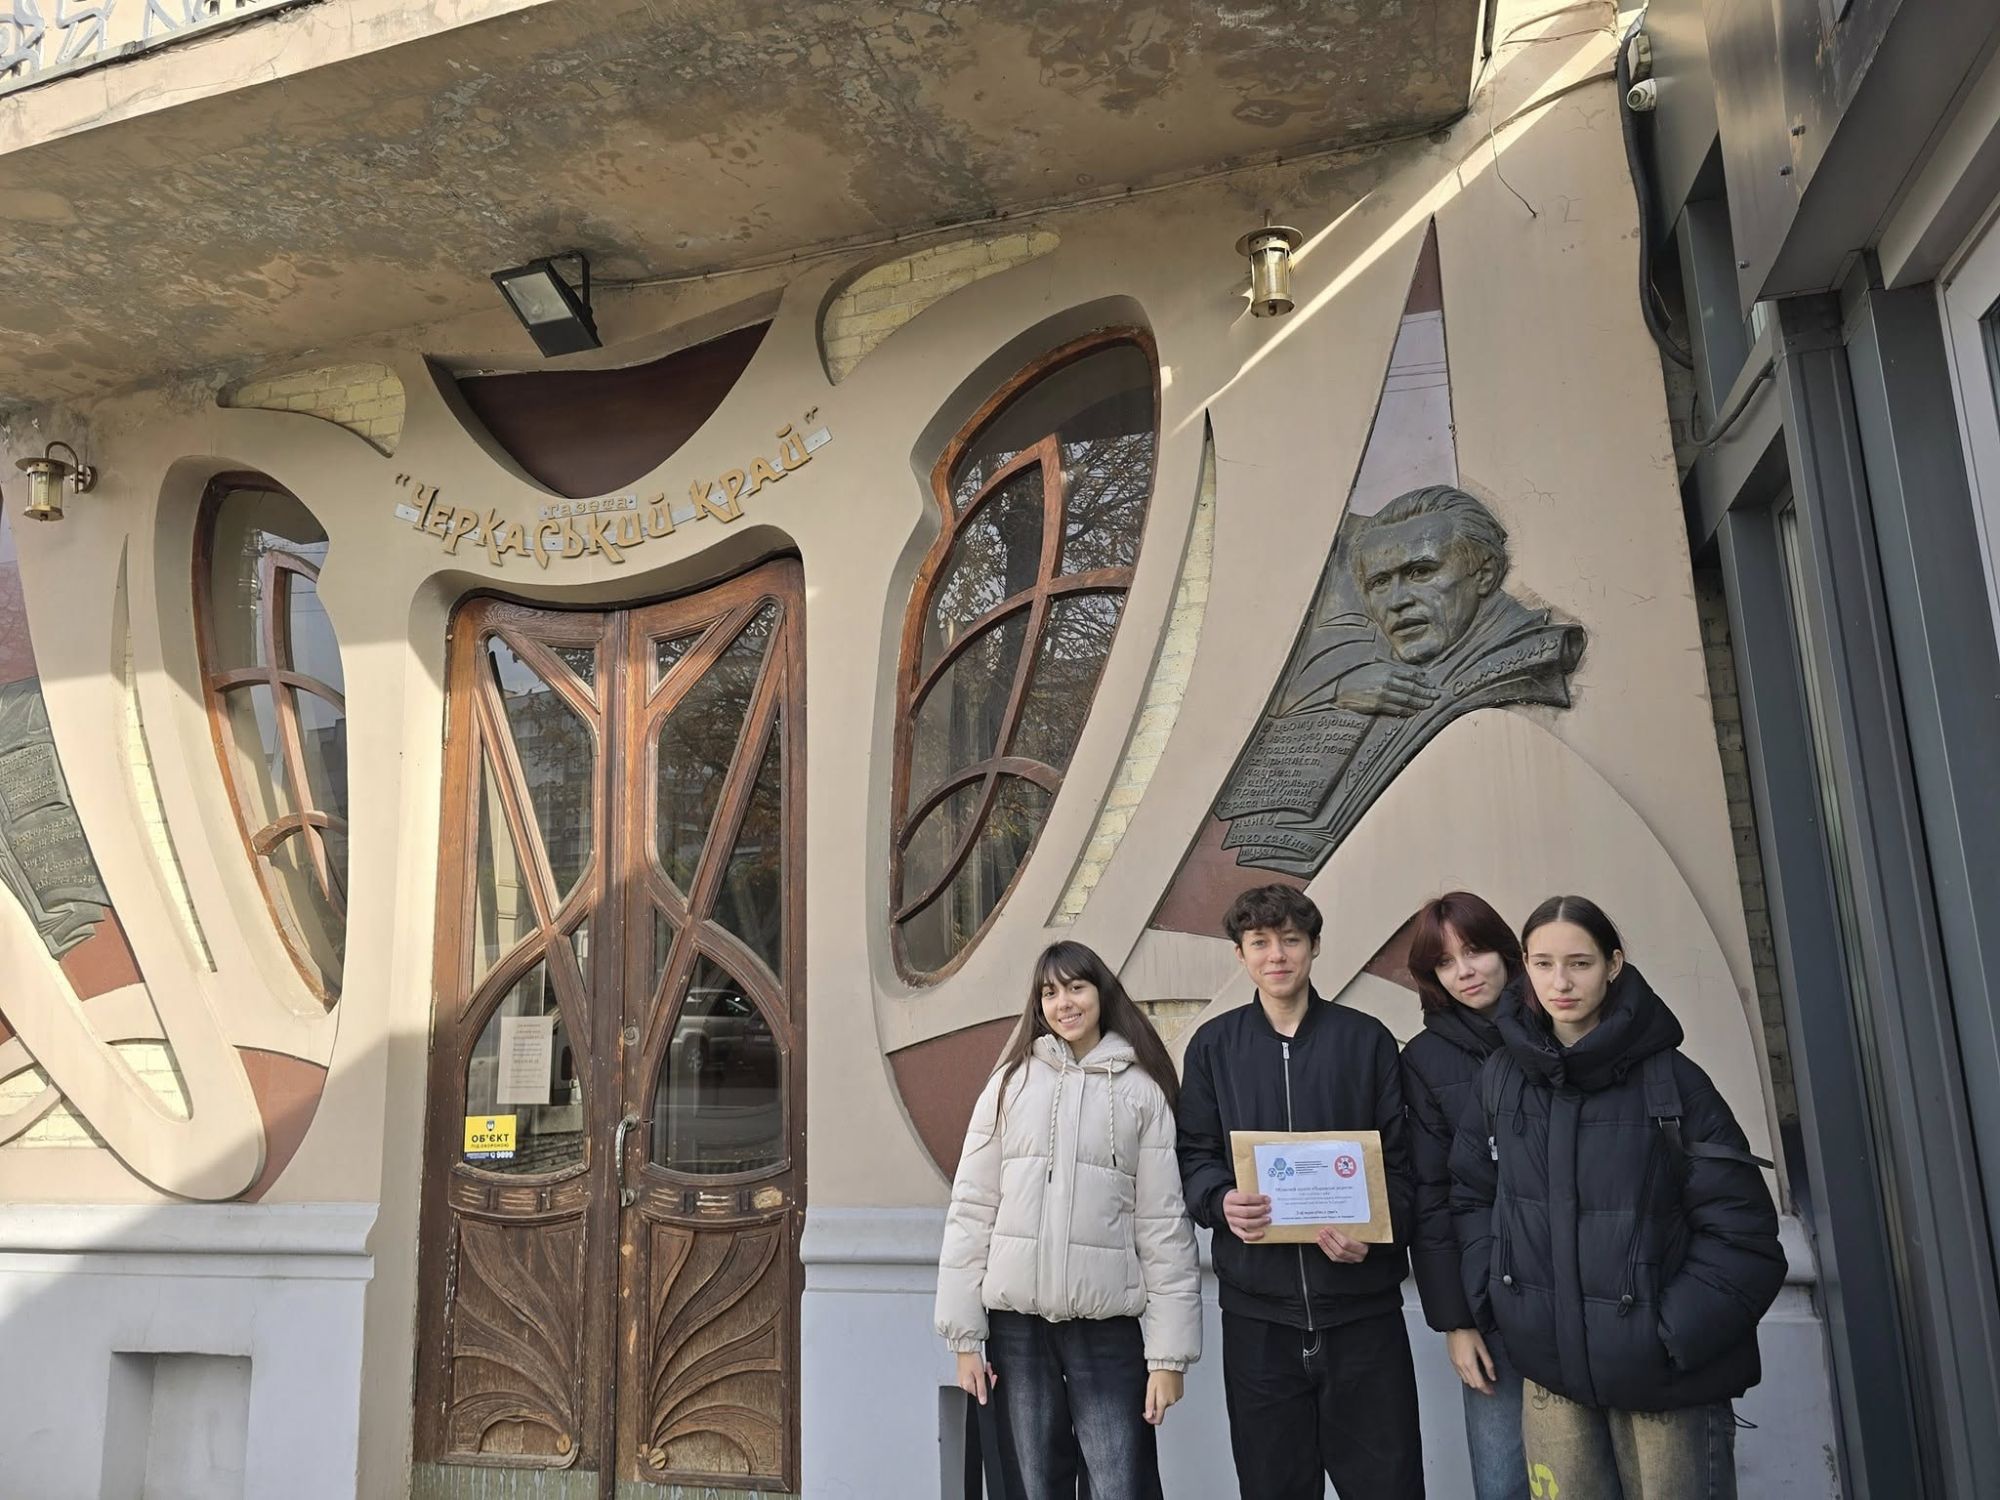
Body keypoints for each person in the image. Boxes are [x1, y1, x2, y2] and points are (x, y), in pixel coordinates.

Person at [1450, 896, 1785, 1500]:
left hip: (1664, 1384)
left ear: (1613, 964)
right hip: (1550, 1375)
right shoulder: (1502, 1078)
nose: (1560, 982)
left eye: (1579, 963)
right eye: (1543, 964)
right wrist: (1504, 1301)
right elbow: (1473, 1195)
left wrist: (1669, 1334)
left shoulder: (1673, 1081)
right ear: (1525, 965)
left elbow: (1744, 1234)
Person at [1177, 883, 1424, 1499]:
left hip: (1362, 1314)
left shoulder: (1366, 1041)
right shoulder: (1213, 1047)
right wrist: (1219, 1201)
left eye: (1290, 940)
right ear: (1240, 954)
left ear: (1314, 946)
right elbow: (1193, 1156)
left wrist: (1374, 1238)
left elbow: (1403, 1166)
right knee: (1273, 1488)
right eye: (1260, 942)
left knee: (1388, 1486)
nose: (1277, 955)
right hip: (1258, 1319)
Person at [936, 940, 1200, 1500]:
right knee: (1031, 1486)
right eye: (1050, 993)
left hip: (1106, 1329)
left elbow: (1163, 1228)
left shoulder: (1142, 1093)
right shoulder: (1009, 1084)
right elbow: (971, 1209)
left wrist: (1168, 1358)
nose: (1064, 1003)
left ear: (1100, 993)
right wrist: (964, 1339)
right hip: (1018, 1329)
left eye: (1076, 987)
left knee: (1121, 1485)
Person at [1400, 892, 1529, 1500]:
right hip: (1490, 1298)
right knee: (1502, 1479)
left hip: (1589, 1291)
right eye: (1446, 963)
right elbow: (1432, 1195)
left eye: (1474, 951)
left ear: (1506, 952)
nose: (1465, 972)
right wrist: (1455, 1321)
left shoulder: (1561, 1027)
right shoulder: (1424, 1058)